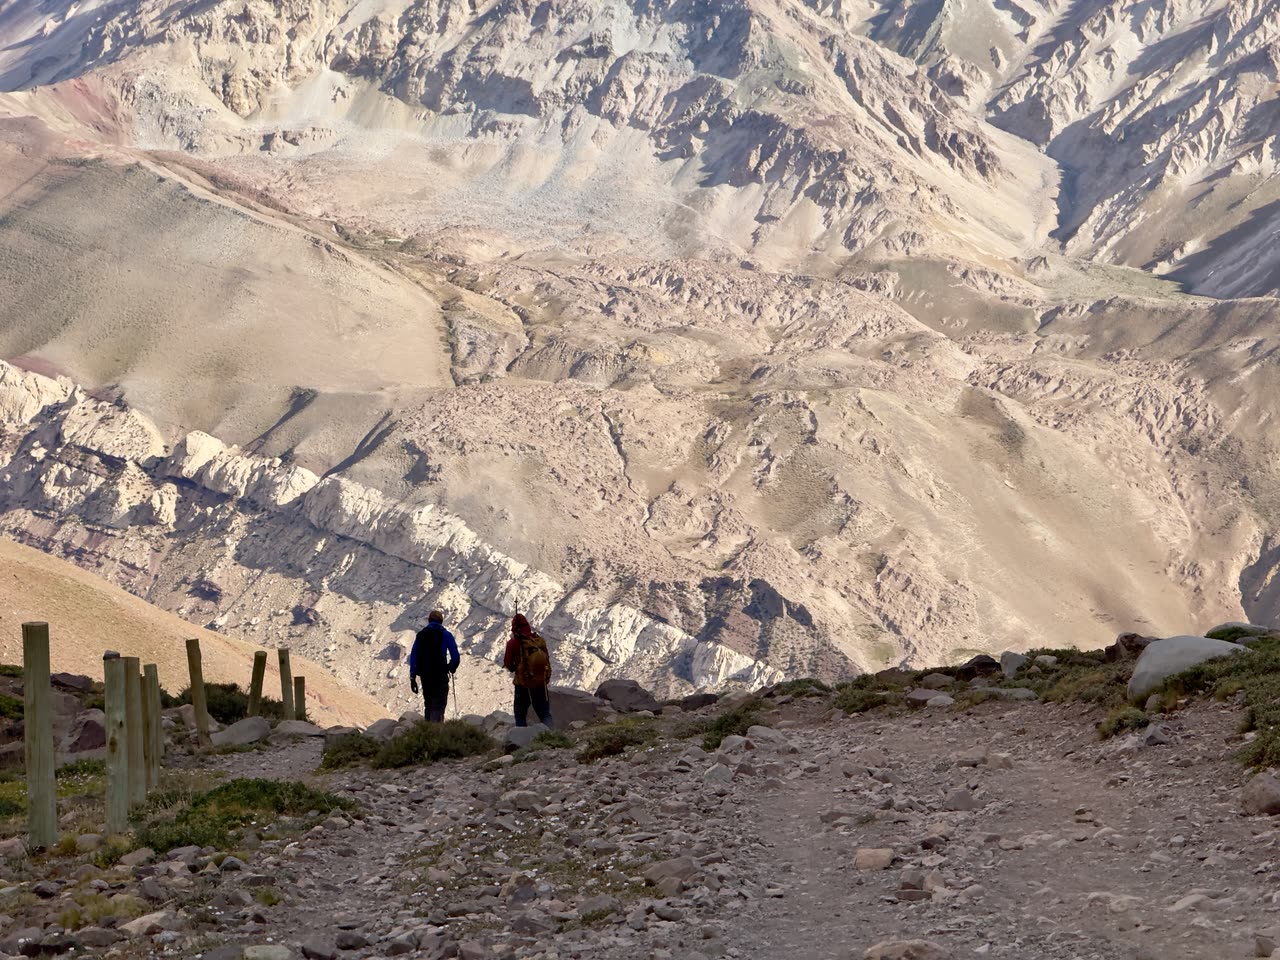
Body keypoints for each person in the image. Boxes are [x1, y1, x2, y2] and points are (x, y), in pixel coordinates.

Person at [409, 609, 459, 722]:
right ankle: (436, 732)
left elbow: (413, 656)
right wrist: (451, 667)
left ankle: (427, 732)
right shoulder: (445, 634)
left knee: (429, 704)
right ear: (441, 621)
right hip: (440, 674)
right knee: (439, 705)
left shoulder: (421, 635)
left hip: (425, 675)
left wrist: (413, 678)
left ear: (429, 620)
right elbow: (455, 656)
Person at [503, 613, 553, 727]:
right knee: (545, 713)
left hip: (523, 683)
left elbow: (508, 664)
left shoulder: (513, 643)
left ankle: (520, 741)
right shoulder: (539, 640)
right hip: (540, 682)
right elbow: (547, 659)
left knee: (520, 714)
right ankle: (552, 736)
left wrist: (517, 666)